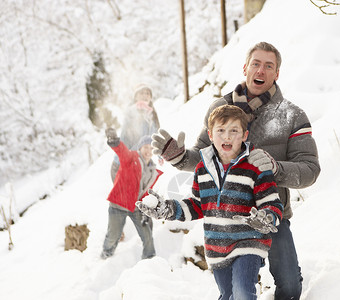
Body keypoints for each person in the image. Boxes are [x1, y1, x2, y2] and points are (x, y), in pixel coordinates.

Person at [150, 42, 321, 299]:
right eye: (256, 63)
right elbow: (203, 157)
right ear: (245, 68)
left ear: (277, 74)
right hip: (228, 218)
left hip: (270, 215)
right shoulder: (221, 109)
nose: (261, 70)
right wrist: (180, 157)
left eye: (269, 65)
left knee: (290, 287)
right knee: (234, 292)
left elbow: (310, 170)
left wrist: (276, 168)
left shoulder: (292, 116)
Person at [137, 105, 284, 299]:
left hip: (248, 243)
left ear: (245, 135)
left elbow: (272, 203)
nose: (227, 137)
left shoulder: (256, 166)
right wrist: (168, 209)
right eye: (221, 131)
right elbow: (198, 205)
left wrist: (268, 217)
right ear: (211, 135)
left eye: (234, 131)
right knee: (227, 294)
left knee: (243, 293)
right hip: (217, 246)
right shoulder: (202, 168)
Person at [101, 128, 163, 260]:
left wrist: (147, 211)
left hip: (136, 207)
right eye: (145, 147)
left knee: (147, 235)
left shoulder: (153, 171)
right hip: (119, 204)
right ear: (140, 148)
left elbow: (147, 192)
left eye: (151, 148)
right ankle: (106, 255)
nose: (148, 151)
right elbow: (122, 152)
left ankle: (150, 260)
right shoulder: (131, 158)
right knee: (113, 236)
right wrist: (115, 142)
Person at [110, 84, 160, 181]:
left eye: (147, 93)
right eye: (141, 93)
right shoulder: (131, 113)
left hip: (141, 165)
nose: (145, 95)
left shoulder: (152, 115)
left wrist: (159, 154)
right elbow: (124, 139)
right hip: (123, 165)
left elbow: (154, 138)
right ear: (136, 97)